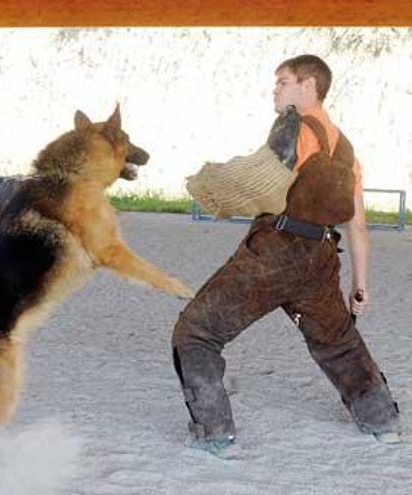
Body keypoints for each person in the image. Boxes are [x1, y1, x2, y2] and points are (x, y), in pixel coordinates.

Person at [171, 54, 401, 455]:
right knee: (338, 341)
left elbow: (258, 185)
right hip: (321, 259)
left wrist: (209, 186)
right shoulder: (347, 152)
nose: (275, 90)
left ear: (309, 86)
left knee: (196, 332)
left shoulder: (292, 125)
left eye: (282, 82)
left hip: (274, 254)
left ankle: (214, 433)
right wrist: (359, 287)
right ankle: (382, 422)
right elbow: (358, 227)